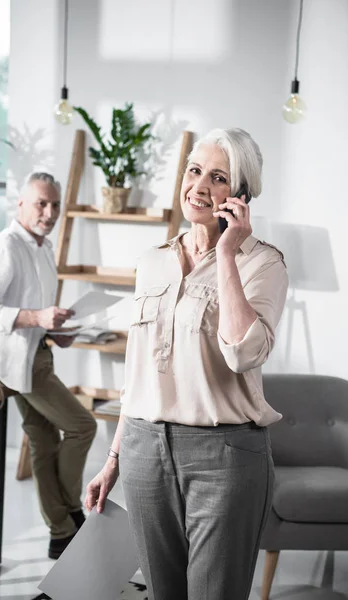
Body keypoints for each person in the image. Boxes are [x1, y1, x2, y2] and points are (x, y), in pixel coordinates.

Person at [85, 128, 288, 599]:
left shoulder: (265, 265)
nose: (198, 185)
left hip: (225, 459)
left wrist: (225, 255)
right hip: (143, 450)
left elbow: (244, 353)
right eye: (194, 170)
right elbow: (137, 375)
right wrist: (113, 459)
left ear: (240, 195)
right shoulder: (152, 261)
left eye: (218, 177)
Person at [0, 172, 97, 560]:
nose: (49, 212)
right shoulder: (6, 247)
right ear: (21, 205)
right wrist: (37, 318)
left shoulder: (42, 247)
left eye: (55, 205)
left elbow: (37, 311)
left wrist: (55, 331)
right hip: (15, 364)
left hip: (36, 353)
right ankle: (72, 509)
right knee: (83, 426)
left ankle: (60, 533)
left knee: (43, 443)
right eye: (42, 203)